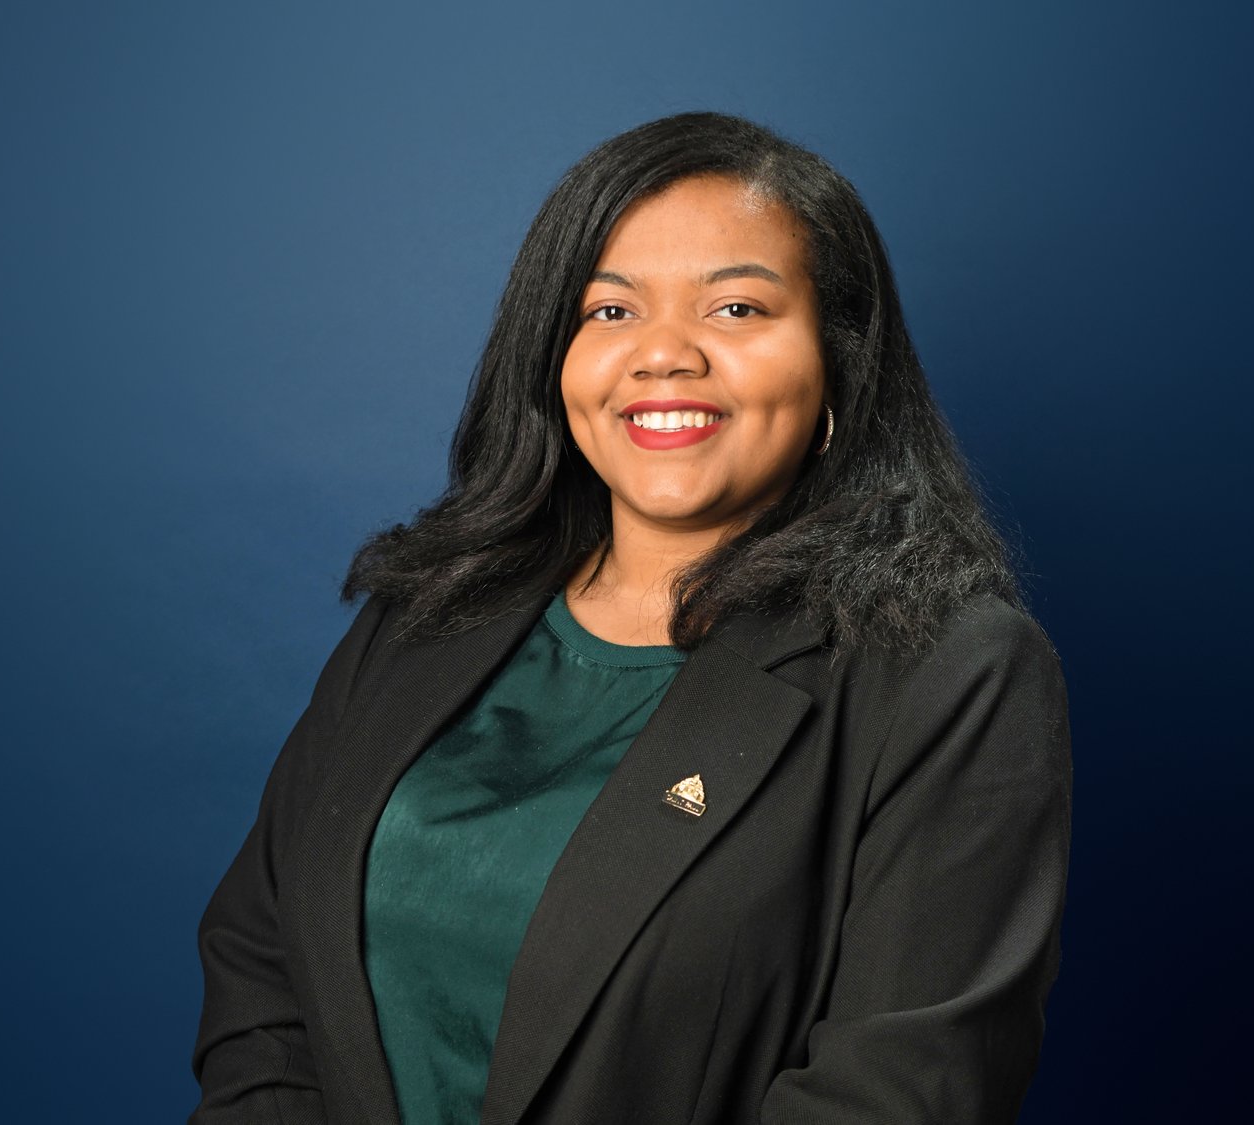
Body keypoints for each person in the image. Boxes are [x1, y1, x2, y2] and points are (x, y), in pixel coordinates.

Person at [190, 111, 1073, 1125]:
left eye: (735, 309)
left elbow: (902, 1092)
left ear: (838, 359)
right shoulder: (427, 606)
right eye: (610, 313)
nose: (663, 355)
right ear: (553, 357)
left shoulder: (949, 674)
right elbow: (262, 965)